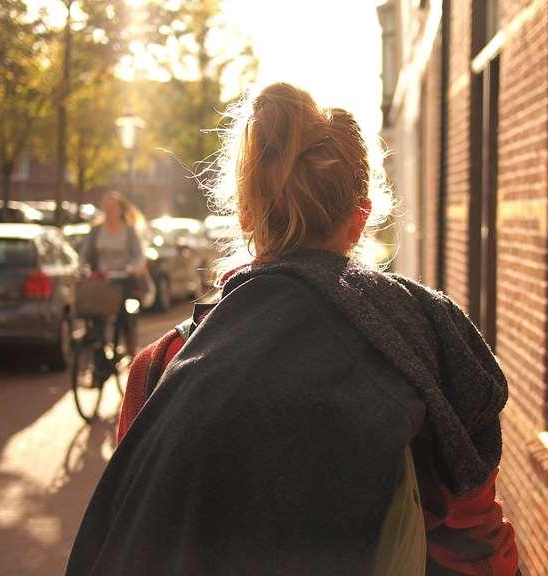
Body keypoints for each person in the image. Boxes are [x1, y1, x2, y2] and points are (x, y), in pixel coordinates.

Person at [66, 83, 518, 575]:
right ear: (360, 218)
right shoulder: (425, 333)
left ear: (243, 215)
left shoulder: (160, 368)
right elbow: (477, 538)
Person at [77, 191, 148, 355]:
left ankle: (129, 350)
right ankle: (99, 348)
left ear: (120, 209)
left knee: (124, 316)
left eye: (113, 207)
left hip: (123, 280)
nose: (110, 210)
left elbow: (138, 256)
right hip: (101, 281)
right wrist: (82, 268)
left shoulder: (129, 232)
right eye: (107, 207)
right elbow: (84, 255)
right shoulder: (96, 231)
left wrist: (133, 268)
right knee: (95, 313)